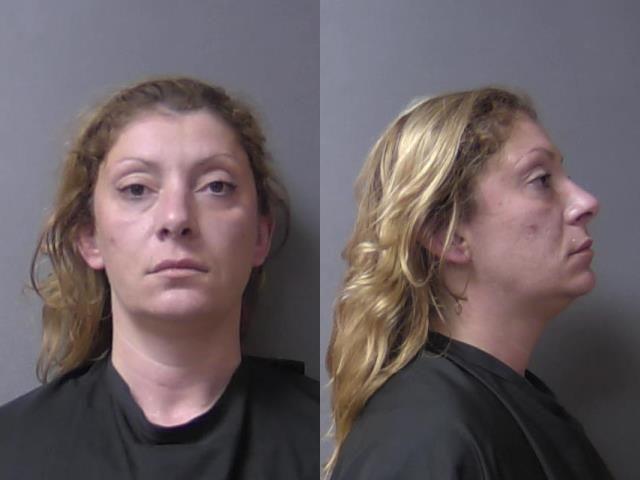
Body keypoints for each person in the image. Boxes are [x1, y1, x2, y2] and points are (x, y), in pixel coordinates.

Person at [0, 77, 318, 479]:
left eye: (216, 186)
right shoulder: (11, 451)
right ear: (90, 237)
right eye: (137, 189)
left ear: (260, 236)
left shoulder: (332, 444)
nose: (176, 217)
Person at [326, 87, 613, 479]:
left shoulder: (508, 405)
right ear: (447, 235)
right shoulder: (422, 435)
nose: (586, 202)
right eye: (542, 180)